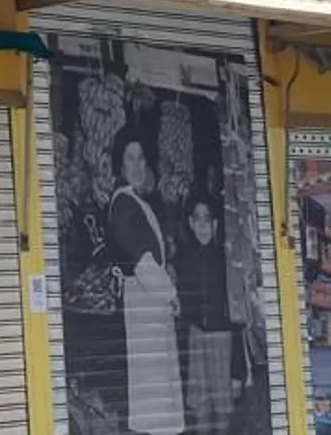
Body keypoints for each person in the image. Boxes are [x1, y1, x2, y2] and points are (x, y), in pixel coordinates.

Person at [108, 132, 184, 435]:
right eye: (130, 158)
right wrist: (171, 292)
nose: (137, 165)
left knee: (157, 384)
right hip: (144, 300)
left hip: (149, 300)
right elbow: (141, 262)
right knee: (153, 385)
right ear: (120, 164)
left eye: (141, 158)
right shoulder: (124, 204)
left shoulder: (136, 200)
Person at [175, 197, 238, 435]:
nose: (202, 224)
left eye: (207, 218)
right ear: (191, 223)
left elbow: (238, 310)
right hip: (195, 335)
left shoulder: (226, 259)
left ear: (216, 224)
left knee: (222, 406)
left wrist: (238, 372)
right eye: (197, 218)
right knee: (199, 403)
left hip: (222, 336)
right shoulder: (183, 258)